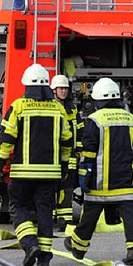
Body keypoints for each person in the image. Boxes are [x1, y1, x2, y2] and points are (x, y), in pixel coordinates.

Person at [0, 63, 72, 266]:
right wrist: (64, 166)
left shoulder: (18, 106)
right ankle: (45, 257)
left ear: (26, 85)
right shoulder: (58, 108)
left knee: (18, 206)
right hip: (50, 173)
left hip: (23, 172)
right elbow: (67, 140)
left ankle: (30, 245)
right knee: (46, 212)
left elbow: (7, 139)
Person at [65, 77, 133, 265]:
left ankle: (78, 247)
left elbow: (88, 152)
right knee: (131, 217)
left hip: (101, 182)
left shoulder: (95, 120)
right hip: (127, 181)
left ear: (98, 100)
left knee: (90, 215)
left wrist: (84, 176)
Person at [50, 74, 83, 230]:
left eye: (65, 89)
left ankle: (65, 220)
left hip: (70, 156)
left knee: (67, 187)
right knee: (51, 188)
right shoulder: (50, 107)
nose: (63, 91)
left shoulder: (72, 109)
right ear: (54, 90)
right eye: (60, 88)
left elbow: (80, 130)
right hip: (53, 156)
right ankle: (52, 217)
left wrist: (79, 150)